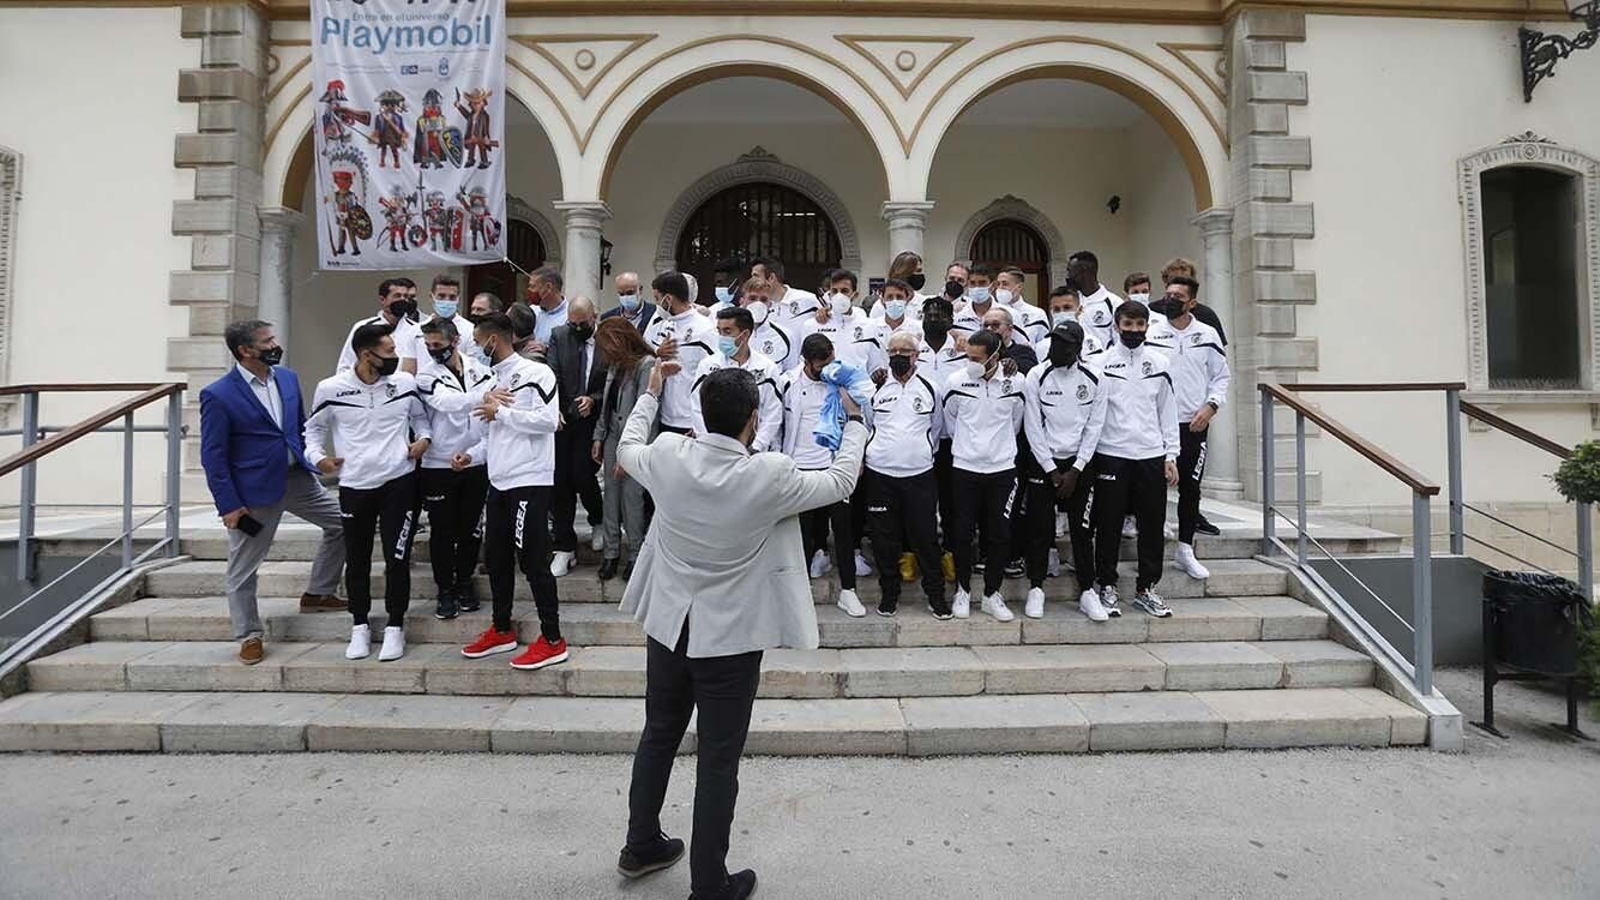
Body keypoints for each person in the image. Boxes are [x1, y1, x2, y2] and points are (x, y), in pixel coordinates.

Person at [617, 364, 866, 900]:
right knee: (718, 758)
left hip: (669, 627)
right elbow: (841, 482)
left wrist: (651, 394)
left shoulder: (668, 455)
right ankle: (709, 882)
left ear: (702, 414)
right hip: (728, 641)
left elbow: (627, 446)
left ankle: (640, 845)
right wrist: (855, 424)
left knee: (658, 733)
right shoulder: (768, 474)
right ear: (754, 418)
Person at [201, 320, 345, 665]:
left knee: (343, 523)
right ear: (245, 350)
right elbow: (213, 456)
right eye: (267, 341)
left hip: (297, 479)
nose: (274, 345)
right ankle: (248, 635)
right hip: (254, 492)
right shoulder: (218, 394)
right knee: (243, 568)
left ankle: (319, 593)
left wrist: (317, 458)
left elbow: (298, 429)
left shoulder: (288, 379)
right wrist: (228, 505)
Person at [304, 322, 431, 662]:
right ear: (366, 355)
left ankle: (395, 626)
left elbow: (421, 419)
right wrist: (319, 459)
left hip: (399, 481)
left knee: (397, 558)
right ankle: (359, 625)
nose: (395, 357)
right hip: (355, 484)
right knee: (357, 560)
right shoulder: (331, 388)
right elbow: (312, 431)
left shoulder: (404, 383)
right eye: (389, 351)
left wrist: (424, 440)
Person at [458, 312, 571, 670]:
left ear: (494, 340)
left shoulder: (537, 373)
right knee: (496, 559)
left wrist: (502, 414)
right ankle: (502, 628)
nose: (476, 350)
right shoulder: (492, 380)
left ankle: (552, 639)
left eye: (479, 343)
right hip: (499, 481)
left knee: (534, 561)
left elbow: (549, 421)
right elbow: (492, 436)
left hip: (530, 480)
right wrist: (471, 455)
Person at [1092, 301, 1180, 619]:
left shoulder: (1160, 362)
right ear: (1116, 326)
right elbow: (1094, 413)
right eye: (1127, 324)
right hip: (1111, 454)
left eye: (1139, 325)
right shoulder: (1099, 363)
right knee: (1109, 524)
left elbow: (1167, 410)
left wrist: (1171, 454)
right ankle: (1107, 585)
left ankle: (1147, 589)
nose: (1133, 330)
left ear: (1146, 327)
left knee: (1152, 525)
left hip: (1150, 455)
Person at [1022, 320, 1111, 621]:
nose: (1056, 348)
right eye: (1054, 342)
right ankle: (1036, 588)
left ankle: (1087, 591)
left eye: (1063, 344)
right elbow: (1032, 425)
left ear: (1077, 348)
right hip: (1044, 462)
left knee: (1082, 530)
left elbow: (1095, 426)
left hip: (1079, 465)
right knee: (1039, 529)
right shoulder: (1037, 375)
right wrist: (1051, 469)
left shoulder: (1096, 377)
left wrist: (1076, 469)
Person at [1146, 275, 1230, 580]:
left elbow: (1221, 376)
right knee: (1154, 489)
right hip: (1156, 427)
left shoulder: (1207, 334)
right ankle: (1151, 552)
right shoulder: (1151, 332)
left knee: (1190, 488)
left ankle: (1185, 549)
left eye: (1177, 297)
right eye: (1167, 294)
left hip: (1193, 425)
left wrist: (1211, 406)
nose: (1170, 300)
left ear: (1191, 302)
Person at [864, 331, 949, 618]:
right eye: (893, 352)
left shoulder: (930, 388)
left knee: (925, 537)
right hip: (880, 474)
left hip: (919, 475)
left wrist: (919, 453)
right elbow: (868, 425)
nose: (898, 356)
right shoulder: (874, 387)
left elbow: (937, 429)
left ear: (916, 355)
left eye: (905, 351)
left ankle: (936, 596)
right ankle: (889, 594)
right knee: (883, 539)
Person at [781, 334, 867, 616]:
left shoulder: (844, 380)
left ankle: (848, 591)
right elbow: (778, 425)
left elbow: (861, 416)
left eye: (831, 361)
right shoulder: (788, 384)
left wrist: (856, 456)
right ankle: (799, 592)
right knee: (801, 535)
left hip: (835, 468)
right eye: (821, 365)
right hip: (799, 468)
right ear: (806, 362)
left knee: (843, 532)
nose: (828, 368)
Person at [942, 328, 1024, 620]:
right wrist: (970, 446)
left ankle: (991, 593)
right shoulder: (956, 381)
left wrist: (996, 448)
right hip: (965, 468)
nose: (971, 363)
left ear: (995, 358)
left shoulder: (1016, 382)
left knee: (1000, 533)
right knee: (963, 533)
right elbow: (950, 420)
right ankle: (963, 591)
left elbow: (1016, 421)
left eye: (977, 359)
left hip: (1002, 469)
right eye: (969, 357)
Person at [416, 317, 493, 619]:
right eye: (428, 345)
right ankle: (445, 589)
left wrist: (474, 454)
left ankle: (464, 581)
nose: (433, 350)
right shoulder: (426, 375)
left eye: (438, 344)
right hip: (439, 463)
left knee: (471, 528)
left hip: (475, 460)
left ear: (455, 341)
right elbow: (446, 403)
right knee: (443, 531)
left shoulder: (481, 370)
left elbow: (488, 417)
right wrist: (483, 396)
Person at [546, 297, 607, 577]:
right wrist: (555, 409)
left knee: (583, 474)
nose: (578, 328)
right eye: (574, 324)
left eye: (584, 323)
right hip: (562, 419)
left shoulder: (606, 340)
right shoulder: (560, 335)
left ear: (595, 317)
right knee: (560, 481)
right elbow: (552, 375)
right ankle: (564, 546)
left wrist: (593, 400)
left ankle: (598, 519)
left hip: (591, 421)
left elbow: (612, 381)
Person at [593, 317, 658, 581]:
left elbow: (645, 410)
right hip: (612, 436)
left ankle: (635, 554)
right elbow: (607, 406)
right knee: (611, 496)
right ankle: (610, 553)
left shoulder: (647, 364)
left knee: (632, 499)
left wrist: (629, 453)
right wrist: (598, 437)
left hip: (635, 441)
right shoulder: (615, 365)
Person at [918, 295, 966, 582]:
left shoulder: (962, 349)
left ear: (951, 321)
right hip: (920, 437)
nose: (934, 319)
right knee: (922, 502)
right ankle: (921, 555)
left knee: (951, 502)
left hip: (953, 439)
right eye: (930, 315)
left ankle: (950, 553)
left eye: (940, 315)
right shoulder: (913, 348)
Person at [692, 306, 783, 453]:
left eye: (727, 331)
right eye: (719, 331)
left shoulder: (767, 368)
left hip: (753, 453)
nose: (721, 337)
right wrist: (707, 442)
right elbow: (697, 407)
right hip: (713, 450)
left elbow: (773, 412)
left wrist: (756, 446)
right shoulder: (707, 366)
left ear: (745, 335)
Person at [643, 272, 718, 436]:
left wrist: (701, 422)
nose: (656, 305)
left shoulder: (705, 329)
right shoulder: (661, 322)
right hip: (662, 416)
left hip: (689, 422)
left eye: (657, 299)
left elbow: (714, 378)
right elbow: (643, 351)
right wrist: (657, 352)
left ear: (668, 299)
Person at [794, 269, 888, 378]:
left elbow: (875, 367)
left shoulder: (870, 326)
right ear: (829, 294)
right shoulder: (812, 326)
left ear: (855, 294)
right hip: (823, 386)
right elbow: (803, 364)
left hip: (856, 387)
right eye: (834, 291)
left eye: (844, 291)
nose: (839, 296)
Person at [336, 277, 422, 374]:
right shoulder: (363, 326)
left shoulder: (417, 329)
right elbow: (346, 364)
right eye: (397, 296)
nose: (403, 300)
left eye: (405, 296)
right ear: (382, 299)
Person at [1161, 257, 1228, 346]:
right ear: (1166, 282)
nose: (1179, 284)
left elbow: (1219, 349)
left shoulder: (1206, 314)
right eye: (1174, 280)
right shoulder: (1152, 311)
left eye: (1184, 280)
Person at [736, 276, 796, 372]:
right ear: (742, 301)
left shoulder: (786, 335)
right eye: (752, 298)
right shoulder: (728, 334)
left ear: (770, 304)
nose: (758, 304)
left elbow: (791, 372)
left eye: (763, 300)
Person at [1067, 251, 1122, 349]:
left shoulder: (1114, 303)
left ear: (1084, 271)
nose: (1068, 276)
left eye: (1070, 271)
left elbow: (1119, 344)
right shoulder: (1070, 302)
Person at [751, 256, 819, 327]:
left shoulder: (807, 299)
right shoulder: (755, 305)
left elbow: (824, 324)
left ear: (771, 278)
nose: (751, 281)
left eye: (756, 276)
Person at [866, 251, 928, 320]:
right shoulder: (881, 306)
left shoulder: (923, 302)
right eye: (917, 271)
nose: (920, 275)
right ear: (904, 273)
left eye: (920, 271)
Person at [995, 266, 1048, 344]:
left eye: (1005, 284)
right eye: (998, 284)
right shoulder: (990, 311)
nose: (1000, 287)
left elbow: (1044, 344)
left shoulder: (1037, 314)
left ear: (1019, 287)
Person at [526, 265, 569, 353]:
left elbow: (569, 351)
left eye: (533, 287)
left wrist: (547, 350)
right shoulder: (531, 311)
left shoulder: (569, 316)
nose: (529, 290)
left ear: (548, 287)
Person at [953, 264, 998, 333]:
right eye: (972, 283)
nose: (977, 287)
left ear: (993, 285)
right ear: (968, 284)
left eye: (982, 283)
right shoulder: (957, 315)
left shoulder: (1009, 314)